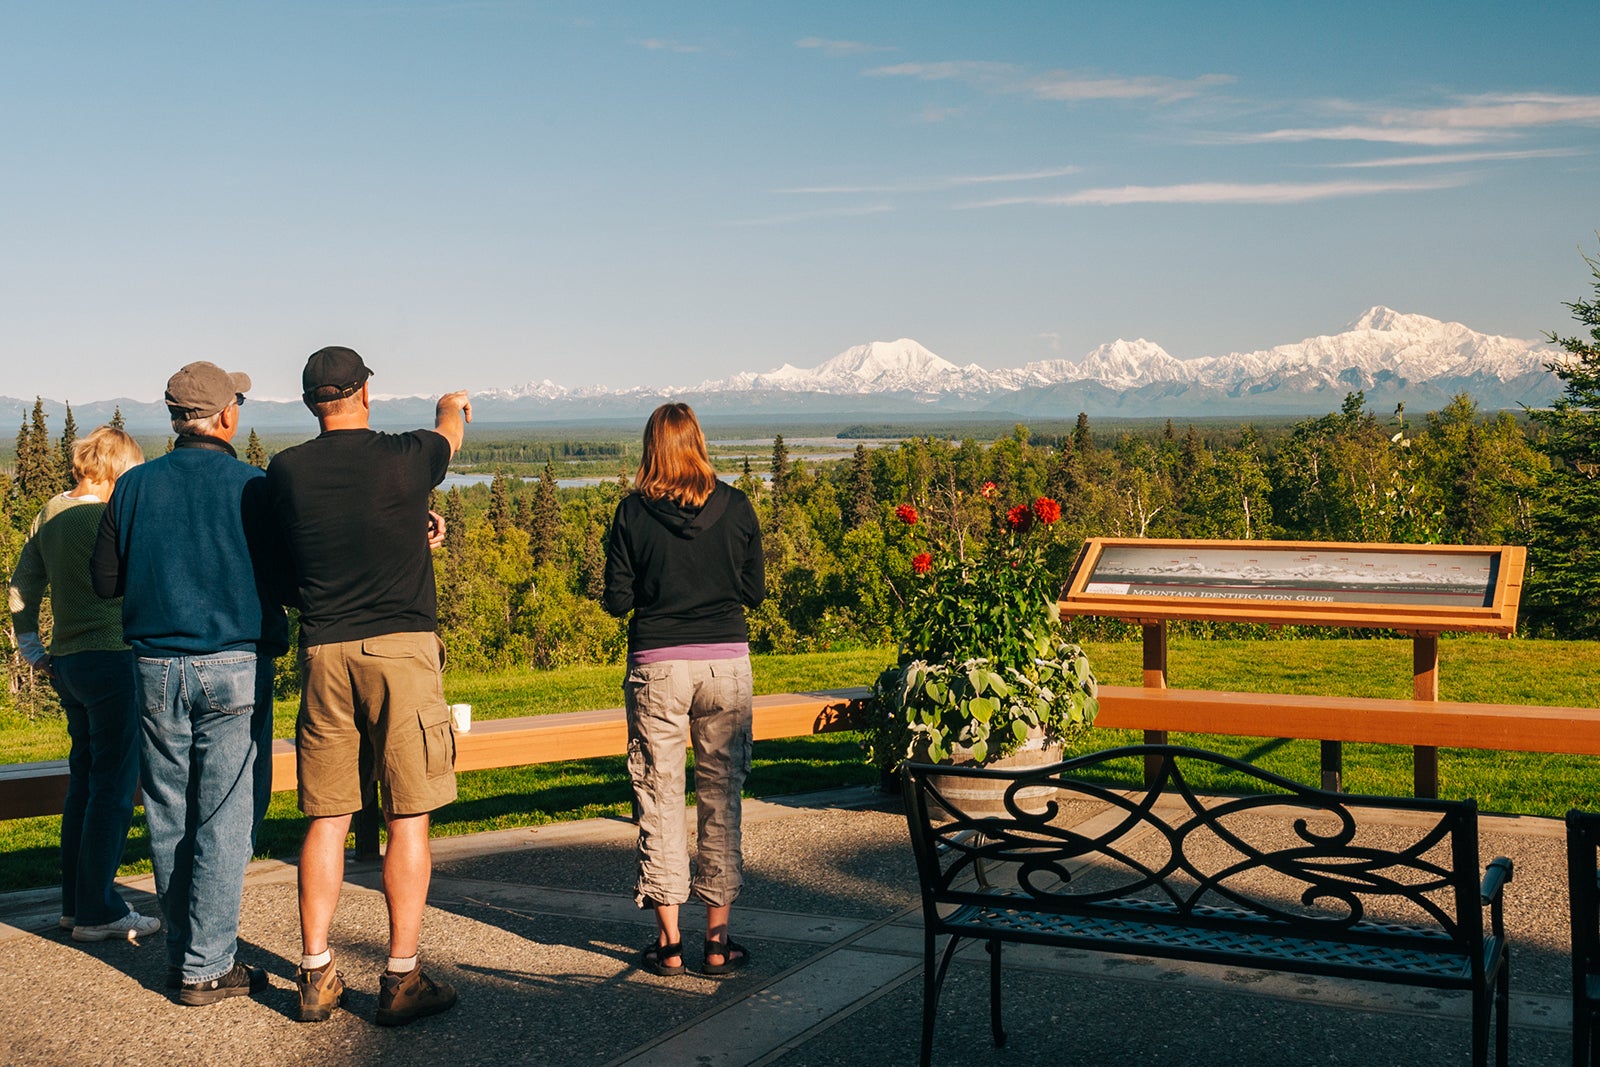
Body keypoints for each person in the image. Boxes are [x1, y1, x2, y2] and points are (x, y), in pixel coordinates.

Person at [264, 346, 468, 1026]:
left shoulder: (286, 471)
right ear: (365, 394)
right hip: (401, 648)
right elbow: (450, 432)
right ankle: (402, 975)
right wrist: (451, 402)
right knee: (408, 811)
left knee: (328, 814)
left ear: (310, 403)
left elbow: (303, 551)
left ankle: (317, 971)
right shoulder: (406, 456)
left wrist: (416, 529)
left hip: (324, 650)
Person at [90, 361, 287, 1004]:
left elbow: (105, 581)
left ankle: (186, 953)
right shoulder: (254, 486)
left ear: (175, 418)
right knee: (227, 816)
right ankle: (207, 965)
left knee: (170, 813)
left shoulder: (135, 487)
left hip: (152, 668)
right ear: (227, 415)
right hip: (235, 666)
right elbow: (289, 581)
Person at [601, 402, 765, 978]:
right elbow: (755, 591)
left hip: (657, 666)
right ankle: (717, 945)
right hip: (725, 666)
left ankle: (669, 946)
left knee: (660, 799)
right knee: (722, 800)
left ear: (652, 447)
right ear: (698, 441)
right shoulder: (737, 506)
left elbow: (617, 599)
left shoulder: (630, 513)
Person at [8, 427, 156, 943]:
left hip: (68, 663)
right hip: (114, 659)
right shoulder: (109, 516)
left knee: (86, 783)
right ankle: (99, 911)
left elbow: (22, 585)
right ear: (116, 469)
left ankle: (75, 903)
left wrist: (32, 650)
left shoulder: (49, 512)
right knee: (114, 789)